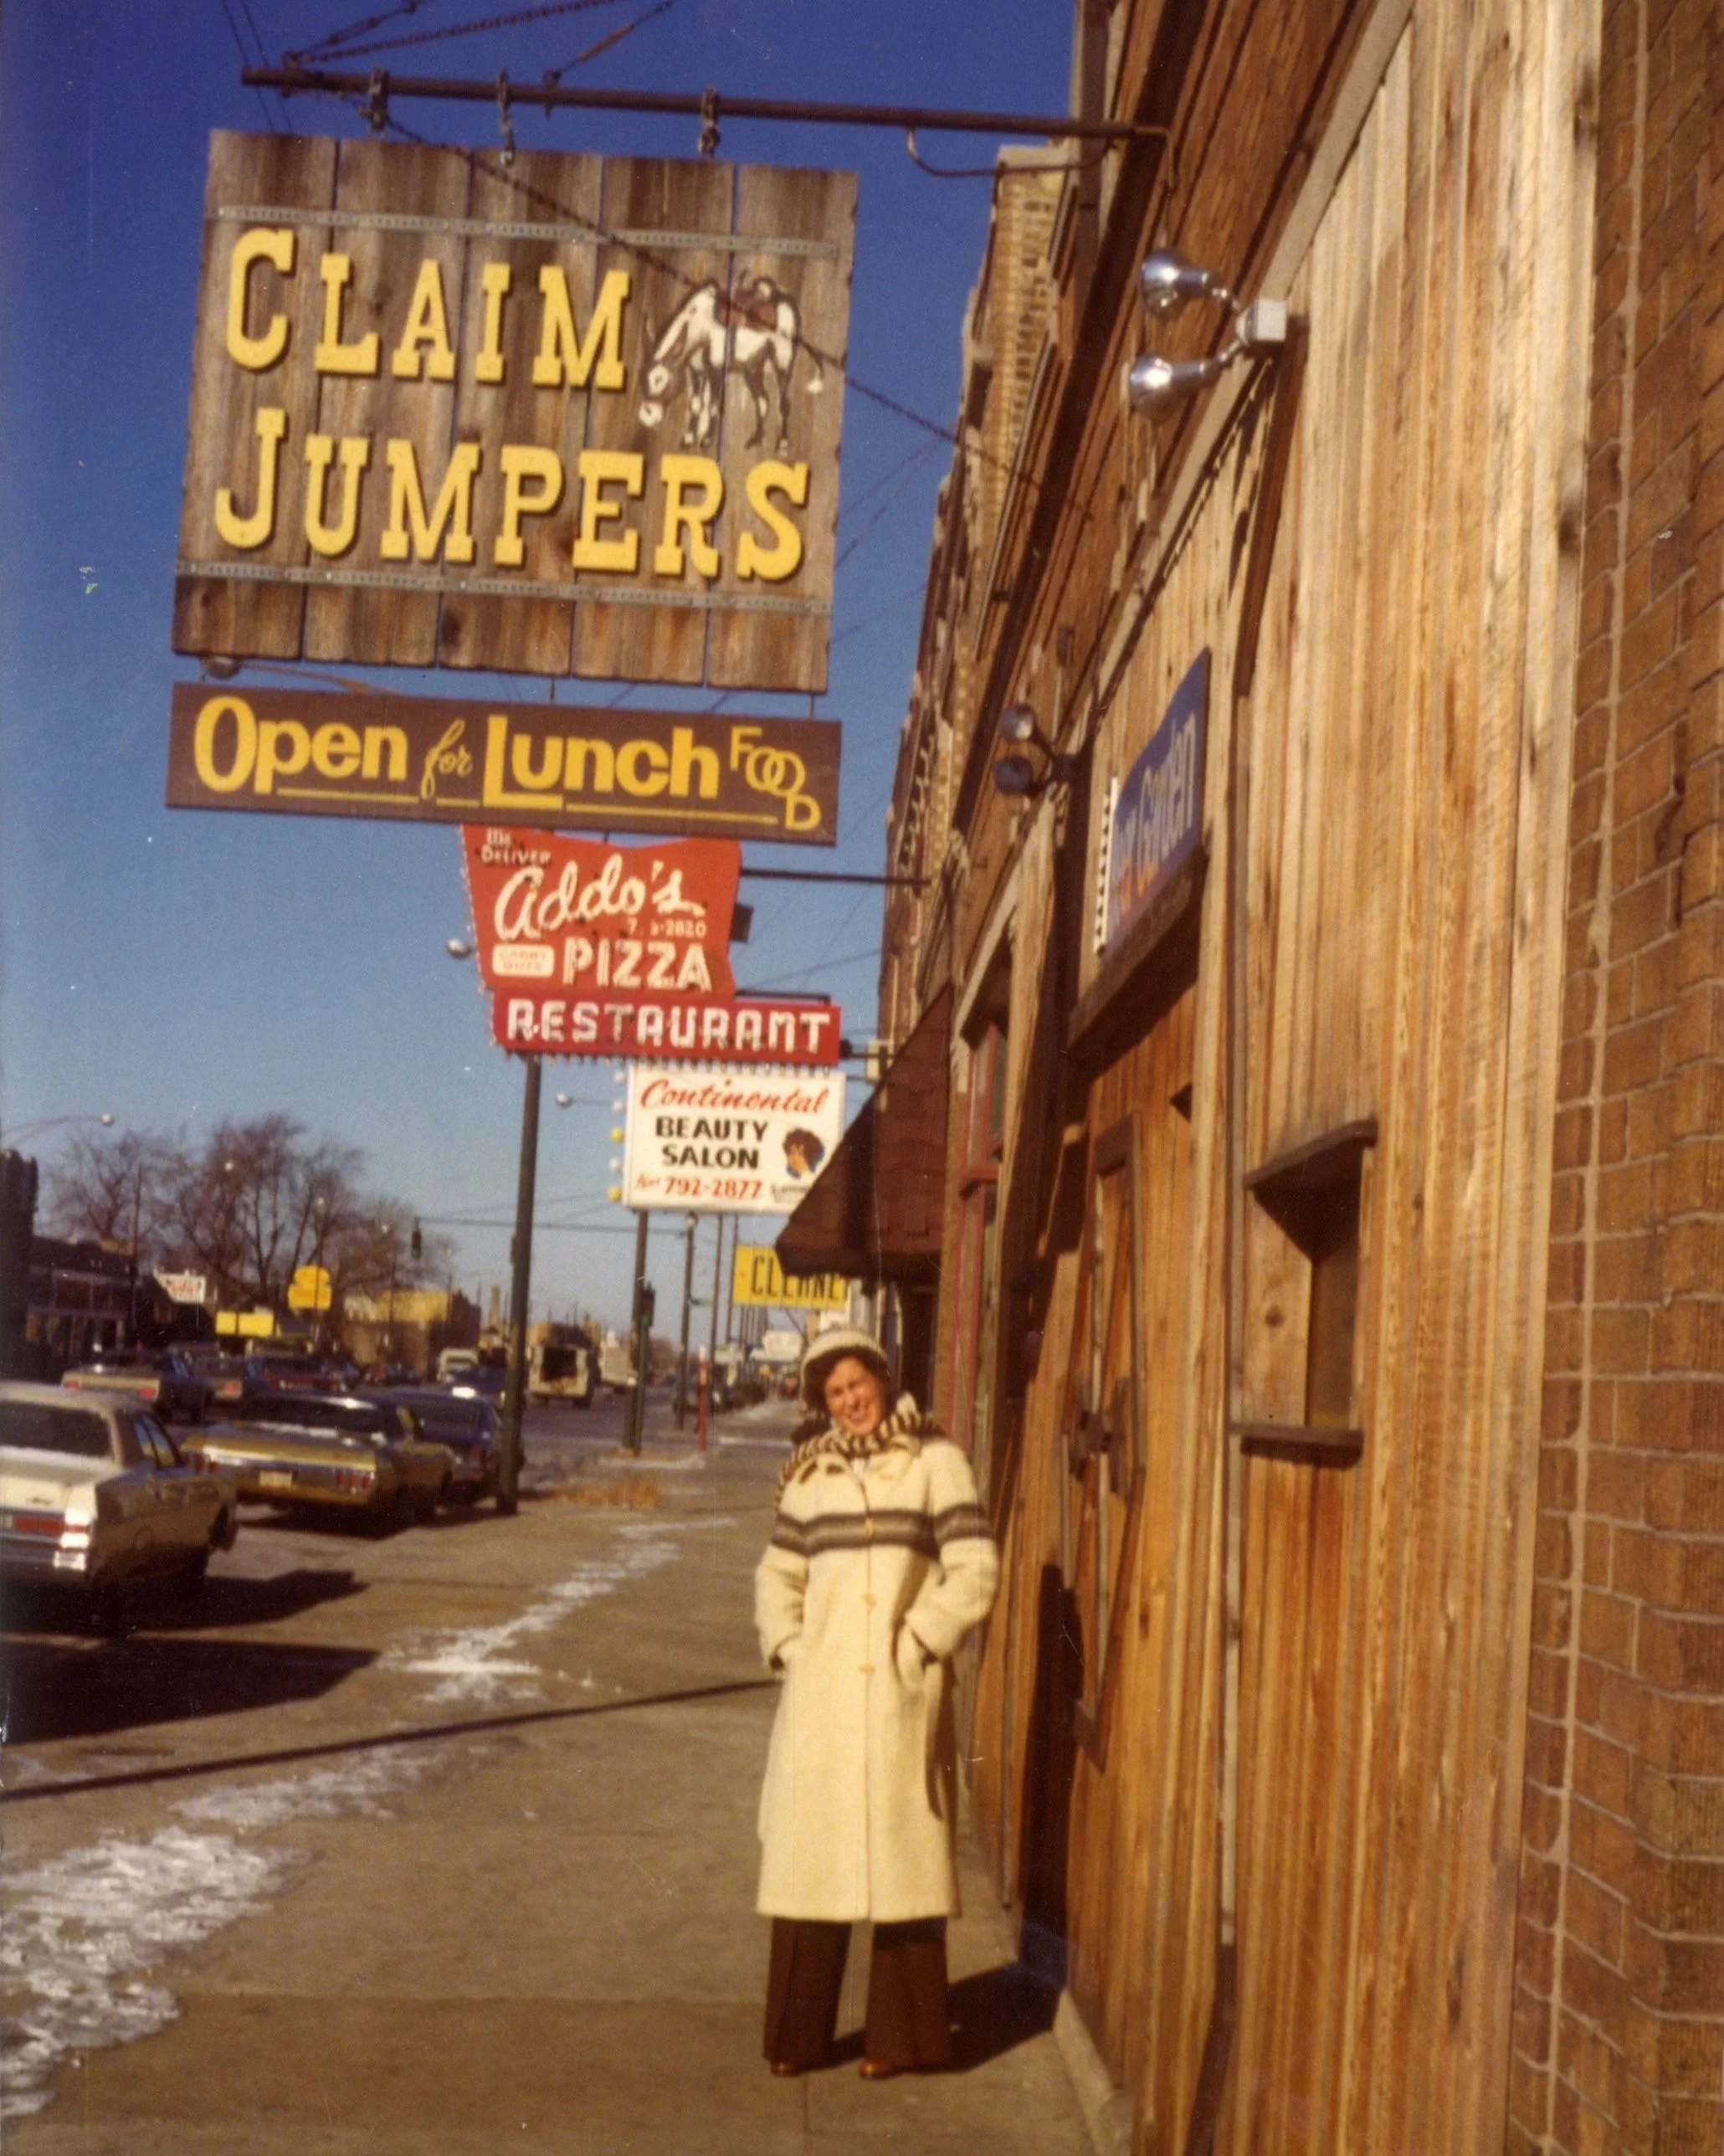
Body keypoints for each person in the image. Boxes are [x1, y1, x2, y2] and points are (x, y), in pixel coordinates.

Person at [754, 1325, 999, 2079]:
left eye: (858, 1384)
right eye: (835, 1393)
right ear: (821, 1403)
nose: (851, 1401)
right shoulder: (810, 1477)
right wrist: (794, 1651)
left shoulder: (937, 1462)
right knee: (809, 1866)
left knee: (905, 1868)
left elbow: (976, 1570)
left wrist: (919, 1642)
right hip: (822, 1700)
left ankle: (906, 2042)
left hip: (901, 1694)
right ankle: (797, 2041)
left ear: (884, 1379)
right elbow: (776, 1579)